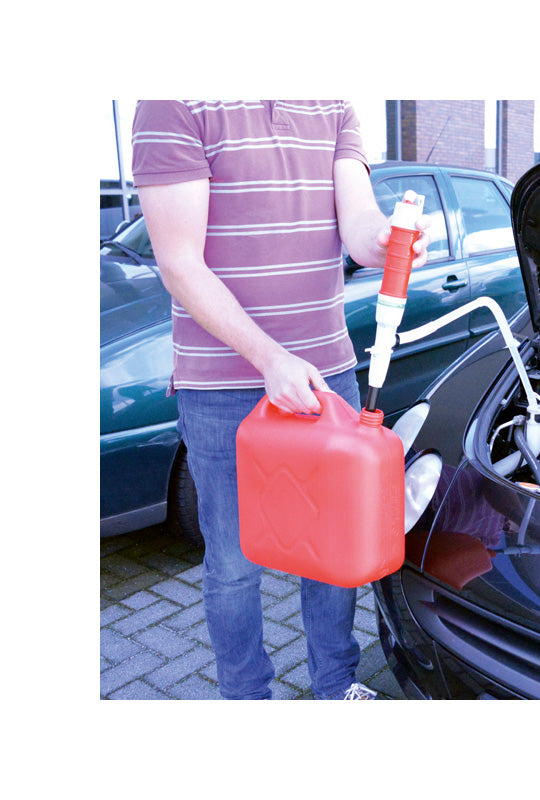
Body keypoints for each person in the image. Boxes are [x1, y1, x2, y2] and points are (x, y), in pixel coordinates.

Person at [131, 100, 429, 700]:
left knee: (337, 545)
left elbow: (357, 224)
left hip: (327, 379)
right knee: (234, 563)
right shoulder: (173, 100)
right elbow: (179, 262)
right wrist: (269, 358)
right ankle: (246, 698)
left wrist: (384, 242)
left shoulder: (332, 103)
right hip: (222, 387)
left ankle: (336, 685)